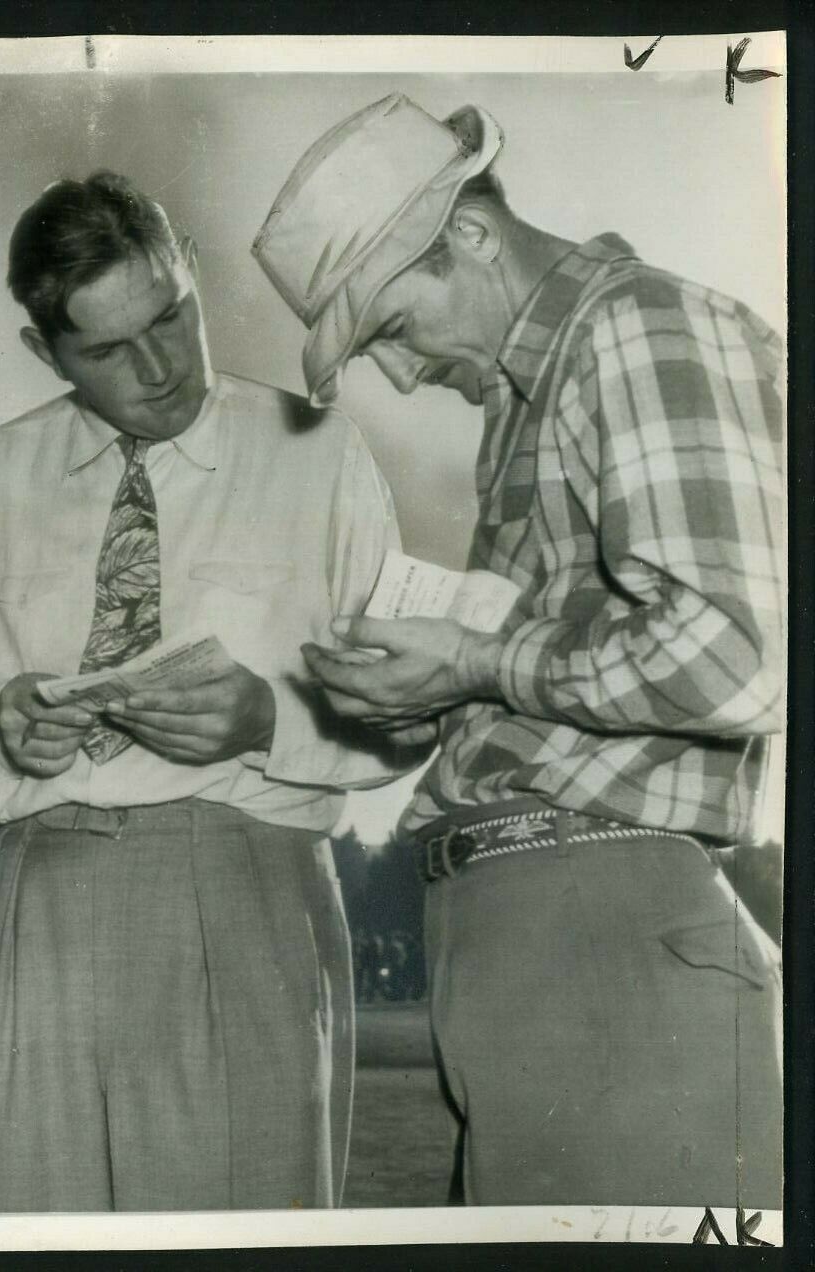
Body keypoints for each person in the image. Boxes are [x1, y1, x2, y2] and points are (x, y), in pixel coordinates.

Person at [254, 94, 784, 1207]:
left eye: (390, 329)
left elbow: (741, 655)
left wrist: (476, 666)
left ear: (474, 233)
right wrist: (426, 695)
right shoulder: (529, 394)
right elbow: (585, 661)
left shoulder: (635, 327)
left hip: (605, 941)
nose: (396, 376)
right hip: (541, 945)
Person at [0, 171, 425, 1211]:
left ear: (189, 273)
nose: (162, 365)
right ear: (44, 353)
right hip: (36, 898)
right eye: (109, 350)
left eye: (173, 316)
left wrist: (268, 718)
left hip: (244, 886)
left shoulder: (319, 454)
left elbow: (407, 712)